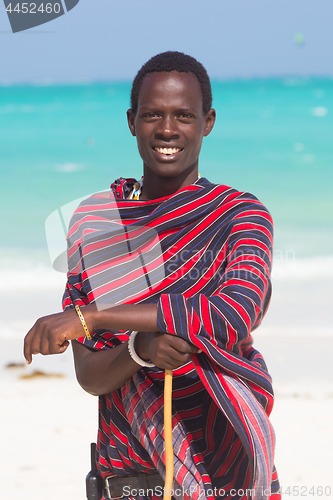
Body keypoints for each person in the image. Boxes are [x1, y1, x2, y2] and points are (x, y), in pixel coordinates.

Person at [24, 51, 281, 500]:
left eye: (184, 115)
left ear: (209, 122)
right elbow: (91, 377)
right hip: (123, 482)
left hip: (224, 475)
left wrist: (95, 317)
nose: (167, 130)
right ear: (131, 122)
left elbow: (230, 315)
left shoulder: (240, 217)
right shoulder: (97, 224)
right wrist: (140, 349)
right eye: (152, 115)